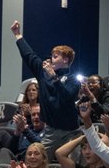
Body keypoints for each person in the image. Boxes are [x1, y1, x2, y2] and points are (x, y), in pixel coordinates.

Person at [11, 19, 82, 149]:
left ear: (65, 60)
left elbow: (67, 97)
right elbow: (29, 56)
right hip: (50, 131)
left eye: (55, 56)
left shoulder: (72, 79)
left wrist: (54, 77)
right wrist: (18, 35)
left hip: (71, 131)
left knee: (72, 166)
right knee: (38, 160)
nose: (51, 59)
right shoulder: (43, 73)